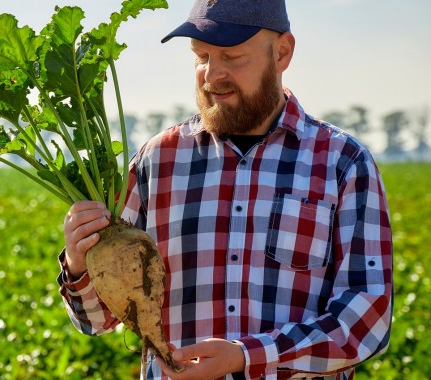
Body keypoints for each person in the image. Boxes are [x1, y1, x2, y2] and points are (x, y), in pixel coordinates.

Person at [57, 0, 393, 379]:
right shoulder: (155, 162)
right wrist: (79, 262)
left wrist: (250, 356)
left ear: (281, 52)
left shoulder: (342, 163)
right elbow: (97, 320)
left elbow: (366, 318)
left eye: (231, 56)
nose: (211, 74)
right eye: (200, 56)